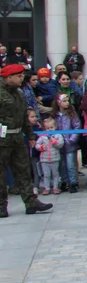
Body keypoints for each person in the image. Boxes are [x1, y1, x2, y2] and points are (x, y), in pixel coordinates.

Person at [0, 65, 52, 216]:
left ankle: (31, 202)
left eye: (22, 75)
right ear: (8, 77)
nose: (22, 78)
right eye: (18, 76)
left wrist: (30, 136)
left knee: (23, 171)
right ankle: (1, 206)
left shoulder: (19, 93)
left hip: (16, 138)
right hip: (1, 139)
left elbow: (24, 117)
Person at [54, 93, 81, 193]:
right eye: (64, 101)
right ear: (58, 102)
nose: (67, 103)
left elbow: (77, 126)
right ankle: (65, 182)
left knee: (70, 164)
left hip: (70, 144)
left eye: (67, 101)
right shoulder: (54, 115)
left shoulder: (71, 114)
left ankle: (73, 182)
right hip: (58, 144)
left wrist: (72, 139)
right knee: (62, 164)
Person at [35, 117, 63, 195]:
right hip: (44, 160)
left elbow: (60, 144)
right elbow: (37, 144)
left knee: (55, 174)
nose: (49, 129)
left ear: (55, 127)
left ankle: (55, 187)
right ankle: (47, 188)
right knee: (46, 175)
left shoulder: (58, 135)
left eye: (51, 127)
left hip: (55, 159)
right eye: (47, 128)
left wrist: (54, 141)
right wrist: (41, 147)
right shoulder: (43, 136)